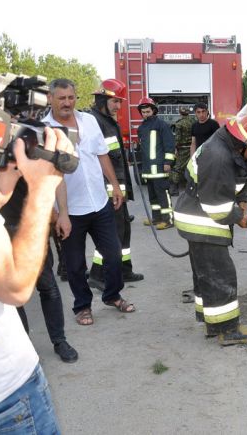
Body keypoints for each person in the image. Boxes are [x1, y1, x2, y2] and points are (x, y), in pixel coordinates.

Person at [0, 126, 73, 432]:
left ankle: (59, 339)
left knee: (49, 287)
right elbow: (16, 288)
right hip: (4, 402)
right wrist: (42, 188)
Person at [173, 100, 247, 346]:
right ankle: (227, 330)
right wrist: (239, 218)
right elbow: (216, 206)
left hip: (204, 213)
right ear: (245, 143)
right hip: (201, 218)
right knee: (220, 275)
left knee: (206, 274)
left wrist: (242, 203)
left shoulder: (233, 142)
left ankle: (211, 322)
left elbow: (241, 176)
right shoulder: (218, 156)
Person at [43, 78, 135, 326]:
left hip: (99, 203)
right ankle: (82, 306)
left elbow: (102, 155)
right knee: (74, 265)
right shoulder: (44, 130)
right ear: (50, 99)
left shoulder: (89, 121)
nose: (67, 103)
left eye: (71, 98)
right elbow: (54, 174)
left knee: (114, 255)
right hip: (69, 211)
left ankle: (112, 295)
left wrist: (114, 186)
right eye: (61, 98)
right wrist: (61, 213)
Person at [0, 178, 78, 363]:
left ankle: (59, 341)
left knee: (48, 287)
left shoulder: (28, 148)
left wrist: (62, 213)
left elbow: (55, 176)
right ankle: (24, 348)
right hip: (0, 230)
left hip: (32, 227)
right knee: (12, 297)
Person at [88, 79, 144, 287]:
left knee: (124, 230)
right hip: (109, 189)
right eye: (115, 102)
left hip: (119, 185)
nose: (119, 107)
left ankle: (124, 269)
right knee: (111, 232)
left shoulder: (108, 121)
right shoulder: (94, 121)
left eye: (120, 102)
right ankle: (97, 274)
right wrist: (113, 189)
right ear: (103, 99)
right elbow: (100, 160)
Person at [137, 98, 175, 229]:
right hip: (148, 169)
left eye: (148, 111)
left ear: (153, 110)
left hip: (160, 167)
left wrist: (168, 162)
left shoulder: (162, 125)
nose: (145, 114)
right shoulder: (141, 128)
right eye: (143, 112)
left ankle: (168, 220)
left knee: (163, 195)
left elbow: (169, 144)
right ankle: (156, 218)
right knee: (153, 197)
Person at [171, 106, 195, 196]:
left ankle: (174, 190)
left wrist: (175, 148)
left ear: (180, 113)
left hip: (183, 149)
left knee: (177, 169)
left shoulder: (179, 124)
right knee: (191, 168)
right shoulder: (194, 121)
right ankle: (191, 188)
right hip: (193, 148)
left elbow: (177, 138)